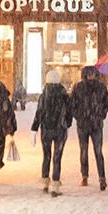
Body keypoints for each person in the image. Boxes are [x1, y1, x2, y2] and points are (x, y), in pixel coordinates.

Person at [32, 67, 73, 196]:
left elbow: (39, 112)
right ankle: (55, 184)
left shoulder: (44, 96)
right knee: (57, 157)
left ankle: (45, 182)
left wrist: (34, 128)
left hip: (46, 129)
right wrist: (67, 123)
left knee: (47, 155)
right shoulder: (63, 94)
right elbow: (69, 112)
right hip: (60, 129)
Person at [70, 65, 108, 190]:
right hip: (85, 124)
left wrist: (100, 115)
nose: (91, 76)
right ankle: (85, 175)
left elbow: (106, 104)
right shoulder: (79, 88)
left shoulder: (100, 88)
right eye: (89, 74)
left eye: (93, 74)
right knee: (84, 151)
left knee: (97, 152)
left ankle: (101, 178)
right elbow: (73, 105)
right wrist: (79, 116)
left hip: (94, 124)